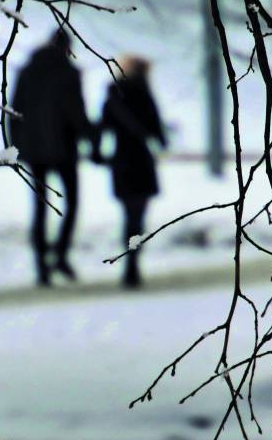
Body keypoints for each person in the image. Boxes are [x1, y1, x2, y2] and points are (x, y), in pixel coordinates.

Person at [10, 28, 95, 286]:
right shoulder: (69, 73)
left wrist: (17, 146)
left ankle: (41, 267)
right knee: (71, 203)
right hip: (64, 150)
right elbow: (76, 112)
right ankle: (59, 254)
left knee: (39, 208)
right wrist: (91, 137)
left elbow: (14, 111)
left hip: (34, 151)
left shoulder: (26, 72)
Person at [96, 55, 166, 288]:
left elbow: (101, 129)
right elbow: (158, 132)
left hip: (121, 162)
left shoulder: (112, 98)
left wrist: (97, 154)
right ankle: (133, 264)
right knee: (138, 217)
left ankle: (129, 264)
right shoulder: (145, 96)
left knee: (128, 215)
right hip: (142, 161)